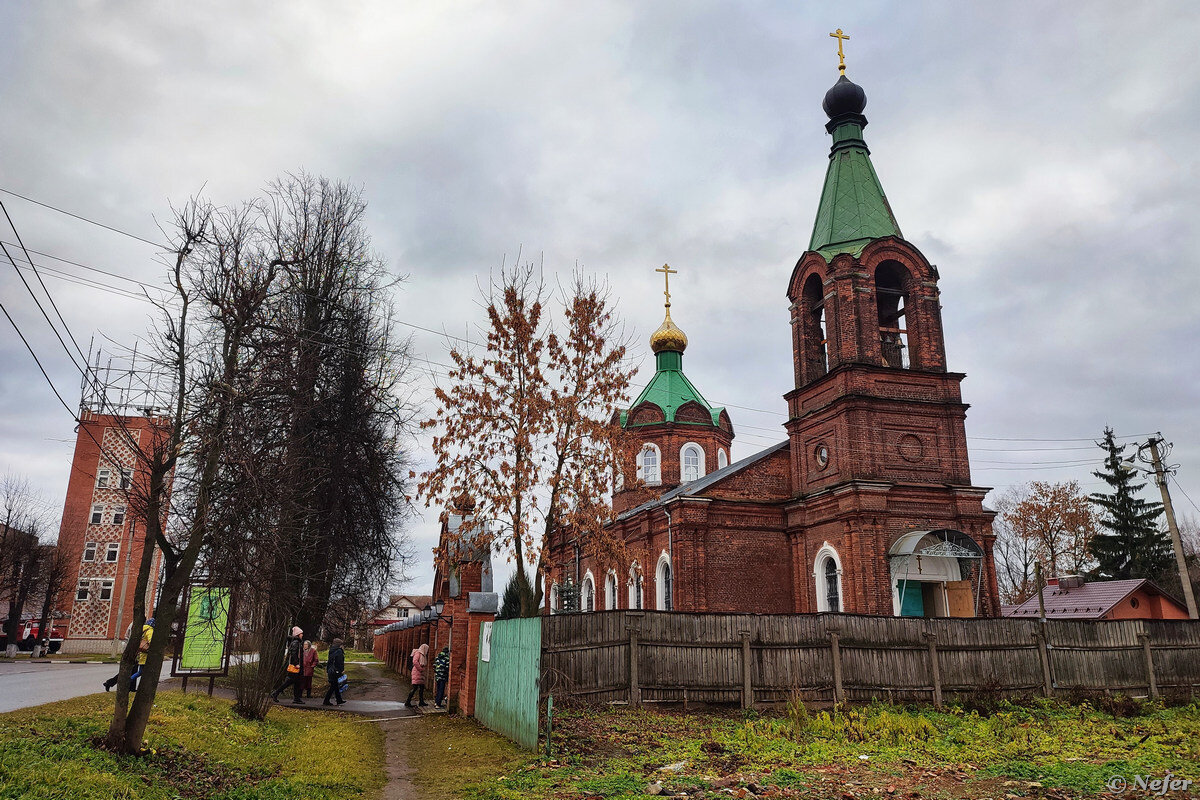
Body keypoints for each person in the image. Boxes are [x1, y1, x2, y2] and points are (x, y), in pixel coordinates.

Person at [103, 618, 154, 692]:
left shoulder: (137, 626)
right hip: (133, 650)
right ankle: (110, 683)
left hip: (132, 649)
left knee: (133, 670)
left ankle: (130, 687)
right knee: (129, 670)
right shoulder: (137, 627)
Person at [271, 626, 305, 704]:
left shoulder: (296, 642)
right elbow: (293, 654)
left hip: (296, 666)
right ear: (298, 634)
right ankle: (276, 693)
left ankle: (296, 698)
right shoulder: (296, 643)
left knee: (296, 682)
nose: (302, 635)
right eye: (301, 633)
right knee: (290, 681)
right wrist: (296, 663)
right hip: (295, 666)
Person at [323, 637, 346, 706]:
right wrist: (341, 670)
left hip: (331, 670)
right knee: (333, 686)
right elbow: (339, 662)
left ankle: (339, 700)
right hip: (335, 671)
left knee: (335, 686)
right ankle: (326, 700)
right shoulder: (339, 651)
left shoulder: (331, 650)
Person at [406, 642, 429, 707]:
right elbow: (415, 661)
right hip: (417, 672)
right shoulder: (418, 653)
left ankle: (421, 702)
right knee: (415, 687)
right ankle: (408, 701)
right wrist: (420, 669)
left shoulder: (423, 655)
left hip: (420, 673)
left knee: (421, 688)